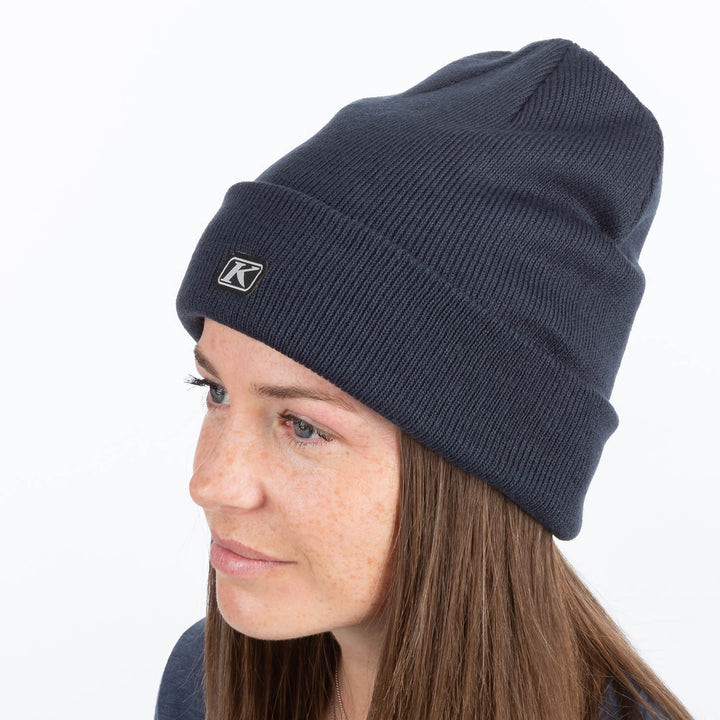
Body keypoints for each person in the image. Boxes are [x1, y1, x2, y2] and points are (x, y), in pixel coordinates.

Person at [156, 38, 693, 720]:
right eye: (216, 391)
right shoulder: (204, 685)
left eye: (303, 426)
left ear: (482, 468)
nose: (210, 483)